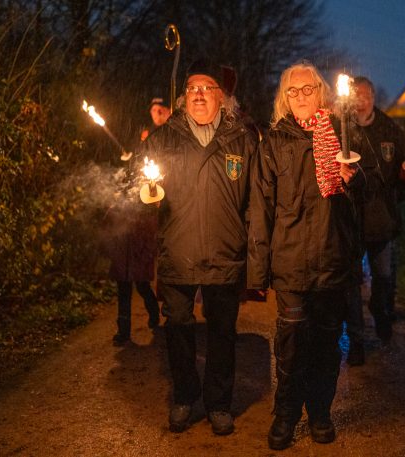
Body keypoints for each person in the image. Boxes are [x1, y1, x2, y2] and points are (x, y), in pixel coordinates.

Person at [247, 61, 361, 450]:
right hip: (291, 264)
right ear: (284, 98)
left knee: (327, 343)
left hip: (331, 260)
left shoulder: (344, 136)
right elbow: (260, 210)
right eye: (292, 91)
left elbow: (369, 201)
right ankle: (286, 414)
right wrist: (258, 273)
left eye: (307, 89)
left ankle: (320, 413)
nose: (300, 97)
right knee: (292, 343)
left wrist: (352, 182)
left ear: (321, 92)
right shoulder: (273, 142)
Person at [142, 59, 258, 436]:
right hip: (178, 250)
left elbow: (256, 200)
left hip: (225, 251)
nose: (198, 95)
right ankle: (184, 396)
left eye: (206, 88)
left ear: (221, 98)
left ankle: (219, 403)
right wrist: (143, 192)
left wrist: (255, 252)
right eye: (191, 89)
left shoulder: (241, 137)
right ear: (183, 98)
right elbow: (137, 181)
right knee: (178, 327)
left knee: (223, 331)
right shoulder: (164, 137)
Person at [344, 76, 405, 363]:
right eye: (357, 95)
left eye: (366, 95)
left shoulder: (388, 127)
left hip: (382, 219)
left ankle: (381, 310)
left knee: (383, 276)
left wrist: (400, 192)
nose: (362, 100)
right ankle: (357, 341)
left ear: (373, 96)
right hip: (350, 220)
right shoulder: (342, 128)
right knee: (350, 282)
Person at [104, 100, 166, 346]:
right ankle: (124, 331)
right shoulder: (121, 189)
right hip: (122, 249)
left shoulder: (148, 193)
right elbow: (109, 218)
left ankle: (153, 314)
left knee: (141, 286)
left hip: (138, 249)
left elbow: (153, 218)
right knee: (123, 291)